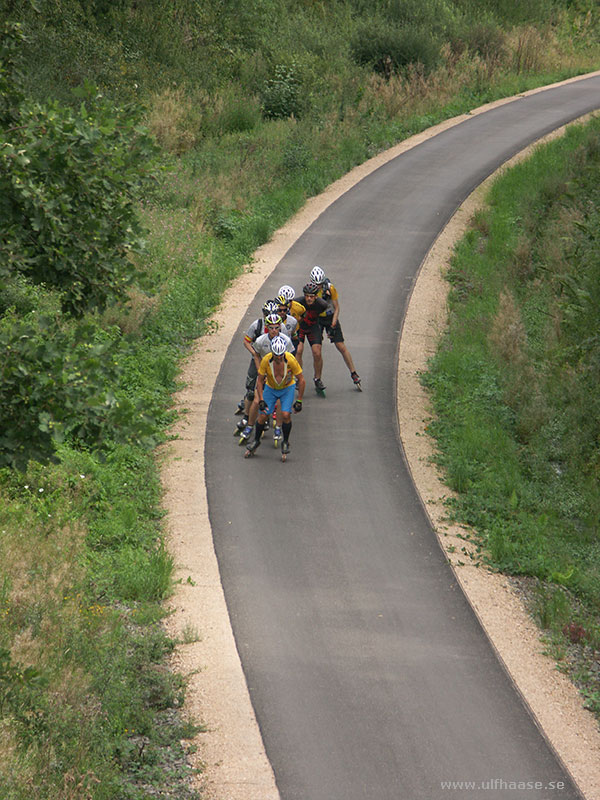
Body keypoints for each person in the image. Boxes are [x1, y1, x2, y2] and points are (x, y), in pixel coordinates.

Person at [245, 336, 305, 458]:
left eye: (281, 355)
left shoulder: (291, 360)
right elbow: (260, 381)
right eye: (276, 355)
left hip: (287, 388)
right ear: (272, 353)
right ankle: (256, 441)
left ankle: (286, 442)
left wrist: (299, 400)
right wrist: (261, 399)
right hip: (271, 388)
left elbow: (302, 380)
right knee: (262, 416)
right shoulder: (266, 360)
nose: (279, 358)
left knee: (286, 415)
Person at [238, 314, 293, 445]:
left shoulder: (285, 340)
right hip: (265, 373)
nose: (274, 330)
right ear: (267, 327)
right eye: (271, 328)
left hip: (280, 375)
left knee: (280, 401)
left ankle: (278, 427)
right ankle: (250, 426)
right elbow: (256, 356)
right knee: (257, 401)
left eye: (276, 327)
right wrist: (260, 371)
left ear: (280, 327)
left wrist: (288, 375)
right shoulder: (261, 340)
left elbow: (290, 358)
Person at [310, 265, 361, 388]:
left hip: (330, 317)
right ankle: (317, 378)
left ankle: (353, 373)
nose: (319, 286)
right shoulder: (310, 291)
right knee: (316, 351)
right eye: (316, 284)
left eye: (320, 284)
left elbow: (337, 307)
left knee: (341, 346)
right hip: (317, 319)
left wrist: (333, 324)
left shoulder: (330, 288)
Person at [234, 300, 279, 431]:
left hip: (273, 362)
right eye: (267, 314)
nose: (269, 317)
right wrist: (254, 354)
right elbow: (246, 341)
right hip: (257, 360)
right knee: (251, 391)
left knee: (269, 390)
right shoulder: (257, 325)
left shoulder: (278, 328)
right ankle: (247, 417)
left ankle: (265, 417)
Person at [294, 281, 330, 395]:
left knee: (317, 352)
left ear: (316, 296)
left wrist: (329, 329)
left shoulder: (322, 304)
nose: (309, 299)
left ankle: (317, 379)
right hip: (300, 328)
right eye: (307, 296)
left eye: (311, 296)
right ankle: (299, 378)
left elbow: (326, 317)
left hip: (313, 327)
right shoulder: (297, 302)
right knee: (298, 351)